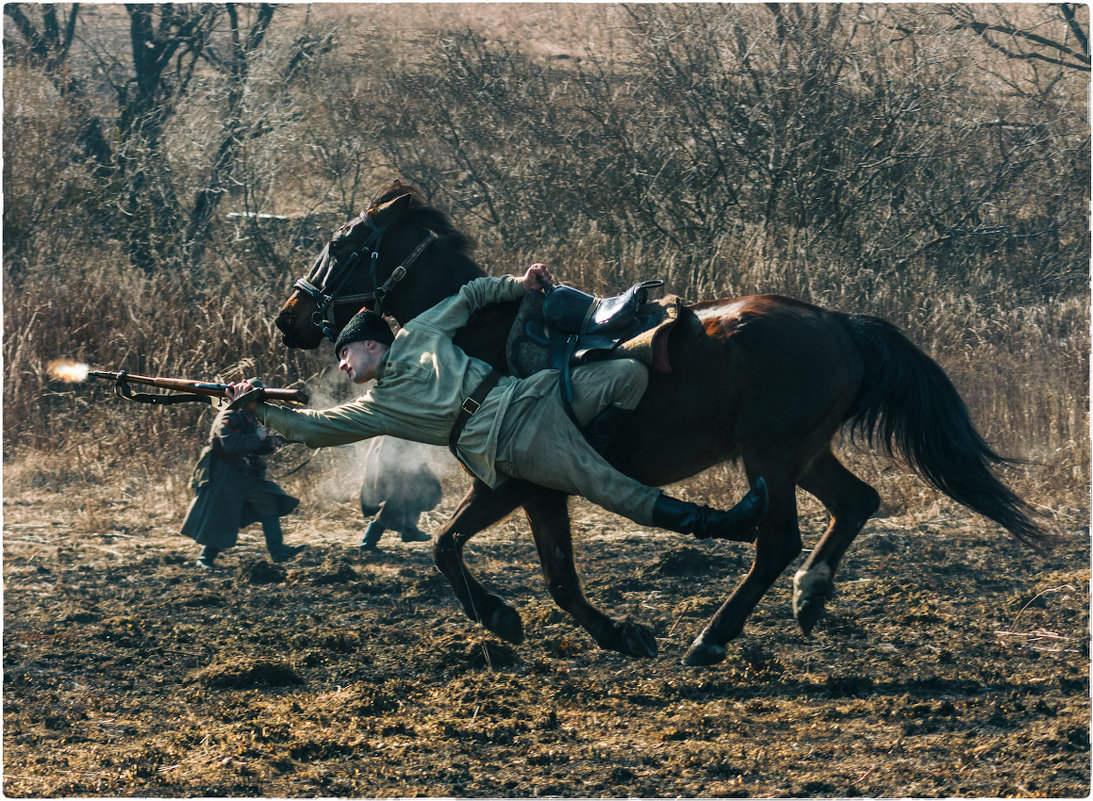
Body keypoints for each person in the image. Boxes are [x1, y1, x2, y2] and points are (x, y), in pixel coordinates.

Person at [226, 265, 767, 542]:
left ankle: (591, 447)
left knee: (625, 371)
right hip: (509, 441)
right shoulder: (382, 406)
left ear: (371, 343)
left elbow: (472, 296)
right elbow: (316, 428)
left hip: (530, 394)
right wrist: (256, 410)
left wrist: (518, 282)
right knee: (607, 485)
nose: (343, 369)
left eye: (345, 357)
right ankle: (720, 526)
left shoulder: (419, 331)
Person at [180, 381, 305, 568]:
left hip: (241, 474)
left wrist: (269, 443)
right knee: (221, 515)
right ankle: (205, 559)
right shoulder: (230, 414)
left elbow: (248, 446)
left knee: (267, 503)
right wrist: (258, 437)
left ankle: (278, 552)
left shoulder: (249, 416)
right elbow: (230, 444)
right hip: (222, 475)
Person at [357, 437, 441, 554]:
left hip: (408, 466)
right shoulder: (391, 432)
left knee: (418, 494)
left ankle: (408, 530)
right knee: (392, 504)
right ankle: (368, 544)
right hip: (394, 468)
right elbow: (386, 453)